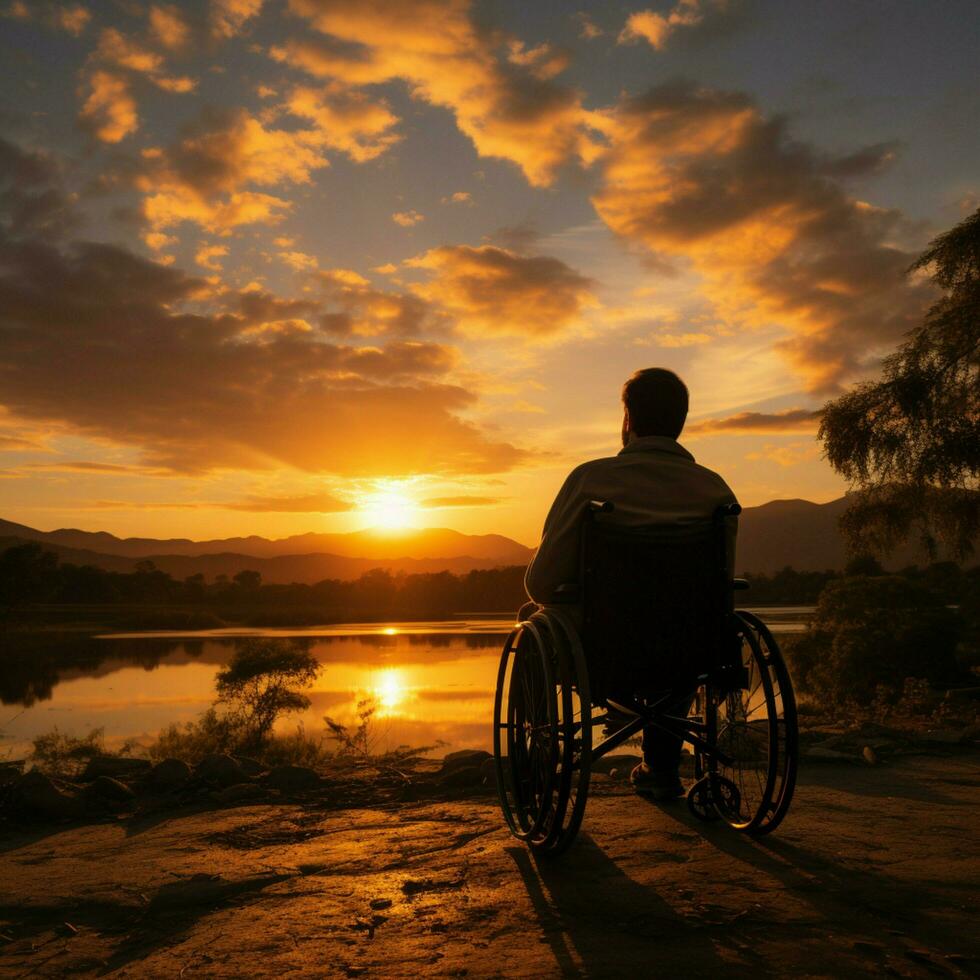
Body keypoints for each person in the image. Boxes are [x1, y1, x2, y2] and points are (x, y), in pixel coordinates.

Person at [521, 368, 738, 801]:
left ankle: (541, 759)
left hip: (606, 646)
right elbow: (721, 589)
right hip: (688, 648)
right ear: (681, 421)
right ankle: (660, 769)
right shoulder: (715, 489)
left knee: (533, 618)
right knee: (678, 632)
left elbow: (541, 583)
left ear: (627, 420)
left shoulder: (591, 480)